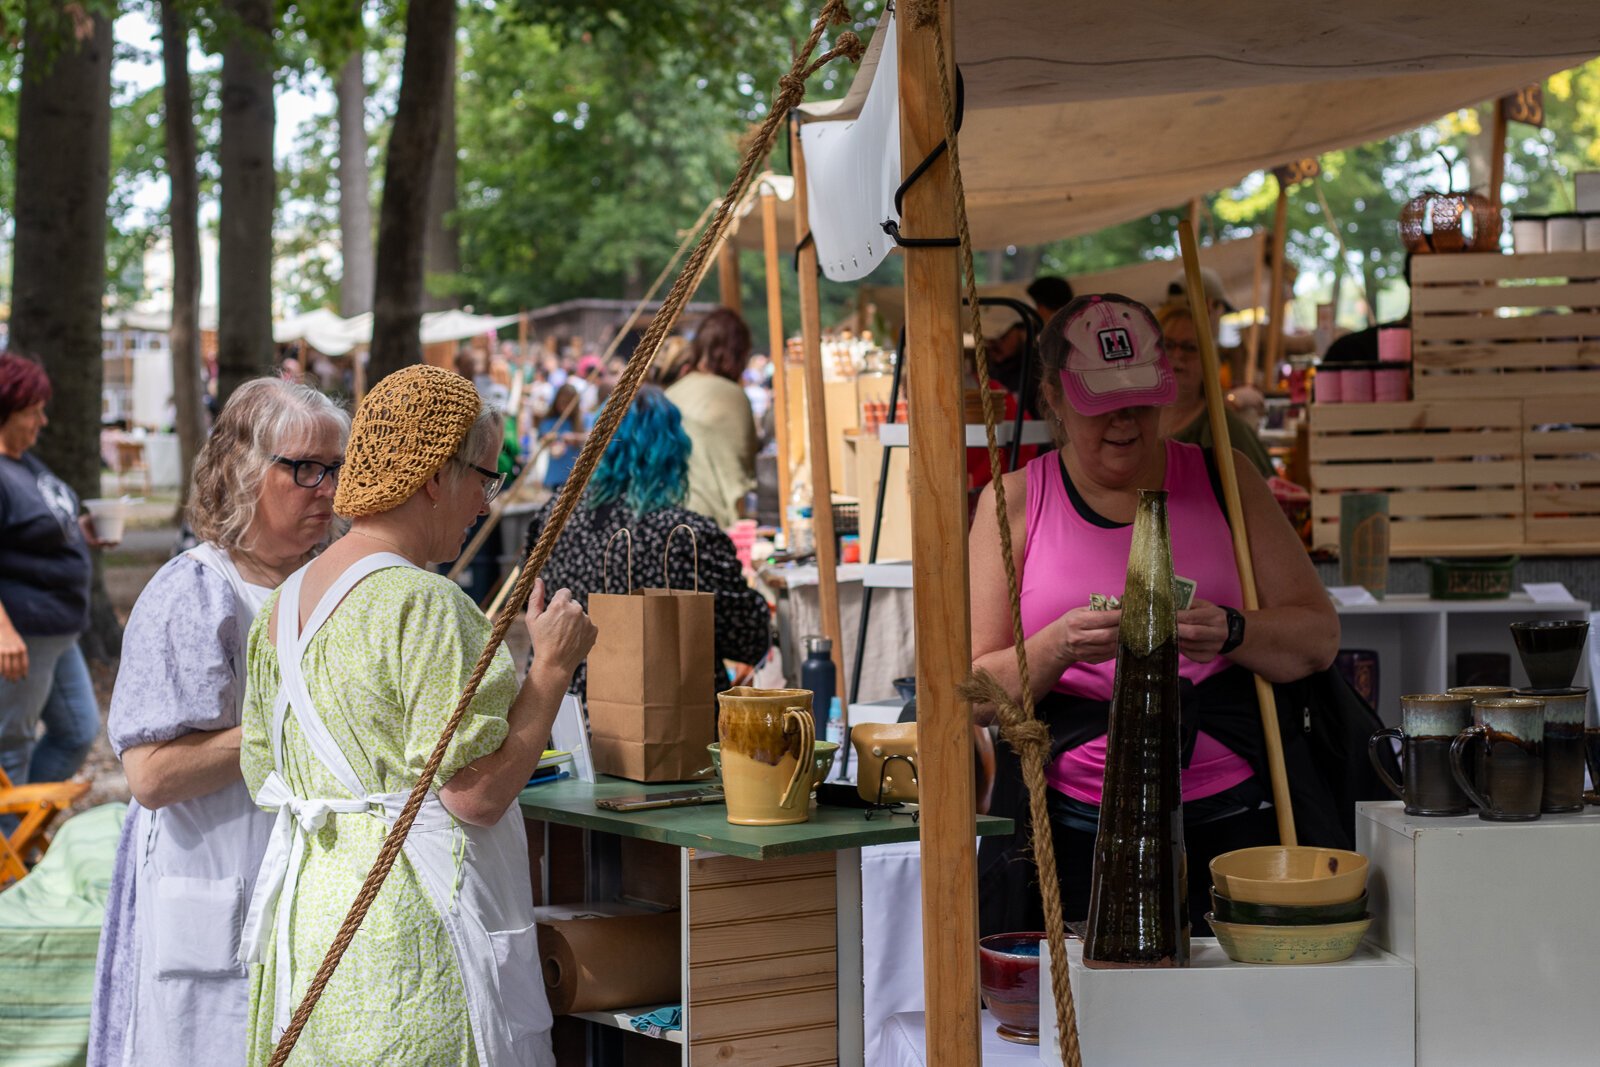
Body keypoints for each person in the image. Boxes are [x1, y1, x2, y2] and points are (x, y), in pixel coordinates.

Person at [239, 365, 596, 1066]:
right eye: (482, 479)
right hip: (407, 930)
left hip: (311, 915)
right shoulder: (424, 603)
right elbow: (476, 793)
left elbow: (261, 767)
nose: (482, 503)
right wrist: (550, 669)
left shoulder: (281, 606)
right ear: (435, 474)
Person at [967, 294, 1338, 938]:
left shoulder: (1227, 479)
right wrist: (1053, 648)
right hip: (1074, 827)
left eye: (1140, 398)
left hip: (1234, 821)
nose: (1125, 421)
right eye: (1100, 403)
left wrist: (1233, 629)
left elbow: (1318, 637)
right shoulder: (1018, 502)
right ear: (1053, 395)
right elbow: (971, 692)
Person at [88, 379, 350, 1066]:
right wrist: (288, 725)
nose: (326, 488)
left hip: (295, 890)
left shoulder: (325, 587)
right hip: (208, 882)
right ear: (243, 468)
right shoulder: (195, 592)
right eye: (306, 468)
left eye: (337, 468)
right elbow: (150, 774)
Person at [524, 385, 771, 697]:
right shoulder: (685, 536)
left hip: (562, 713)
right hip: (665, 720)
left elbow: (529, 601)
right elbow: (749, 639)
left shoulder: (554, 515)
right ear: (673, 453)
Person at [0, 352, 107, 799]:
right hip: (22, 636)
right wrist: (3, 631)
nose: (42, 421)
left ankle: (21, 835)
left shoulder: (24, 463)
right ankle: (10, 860)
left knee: (78, 731)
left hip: (58, 633)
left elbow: (38, 529)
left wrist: (79, 532)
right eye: (33, 411)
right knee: (10, 745)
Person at [1155, 302, 1275, 478]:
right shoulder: (1131, 424)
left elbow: (1268, 493)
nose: (1178, 355)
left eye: (1190, 348)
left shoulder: (1227, 431)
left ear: (1207, 362)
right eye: (1168, 345)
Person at [666, 308, 760, 528]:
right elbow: (743, 469)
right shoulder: (733, 395)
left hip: (667, 517)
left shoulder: (672, 393)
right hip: (710, 521)